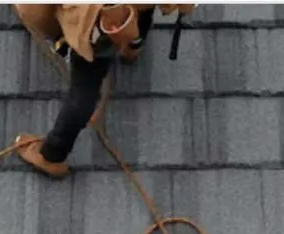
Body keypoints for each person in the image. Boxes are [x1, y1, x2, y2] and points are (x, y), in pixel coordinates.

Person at [13, 4, 194, 178]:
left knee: (84, 88)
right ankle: (131, 46)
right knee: (138, 13)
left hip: (95, 24)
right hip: (126, 14)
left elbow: (35, 13)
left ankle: (52, 155)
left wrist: (57, 32)